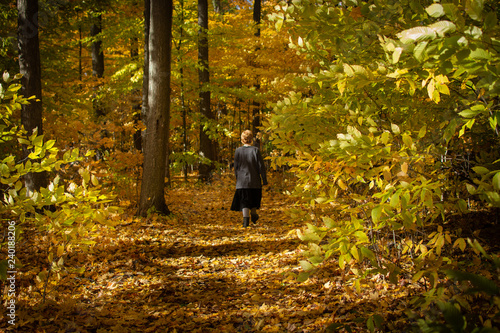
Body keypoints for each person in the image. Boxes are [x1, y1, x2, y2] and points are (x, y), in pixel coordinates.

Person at [230, 130, 268, 228]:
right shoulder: (255, 150)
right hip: (254, 180)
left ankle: (245, 221)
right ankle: (254, 214)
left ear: (242, 140)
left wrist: (237, 178)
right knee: (254, 198)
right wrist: (264, 179)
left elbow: (236, 167)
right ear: (251, 140)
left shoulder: (238, 151)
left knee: (244, 201)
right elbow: (261, 166)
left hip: (242, 182)